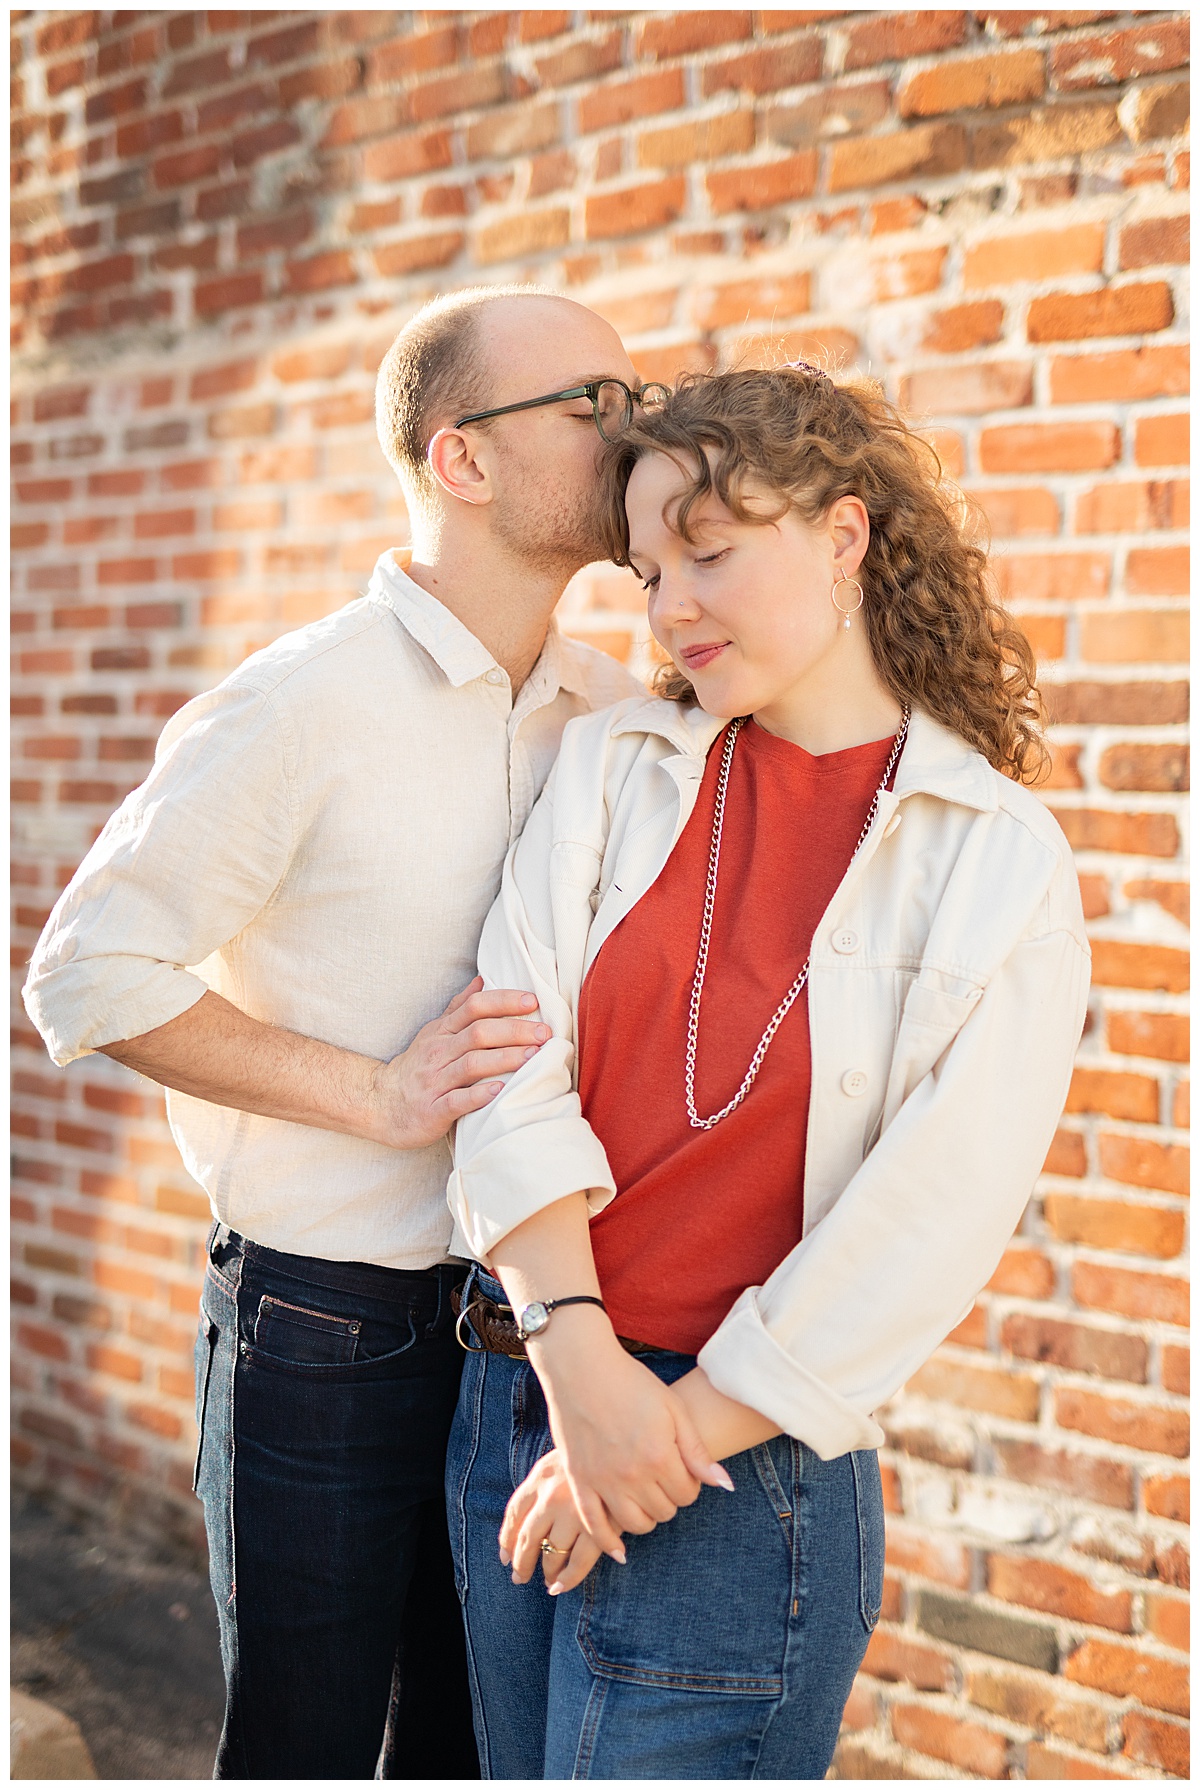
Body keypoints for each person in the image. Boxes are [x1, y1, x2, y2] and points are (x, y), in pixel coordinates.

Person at [22, 285, 653, 1780]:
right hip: (322, 1329)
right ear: (463, 459)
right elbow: (87, 972)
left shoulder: (612, 710)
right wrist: (372, 1095)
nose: (637, 433)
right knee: (301, 1749)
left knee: (463, 1750)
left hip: (526, 1339)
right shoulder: (301, 701)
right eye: (595, 404)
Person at [445, 366, 1091, 1780]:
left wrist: (650, 1432)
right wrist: (579, 1373)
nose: (670, 607)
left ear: (847, 537)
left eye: (713, 551)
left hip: (740, 1481)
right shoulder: (617, 762)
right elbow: (503, 1057)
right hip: (518, 1406)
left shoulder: (991, 859)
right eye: (649, 567)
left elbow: (925, 1224)